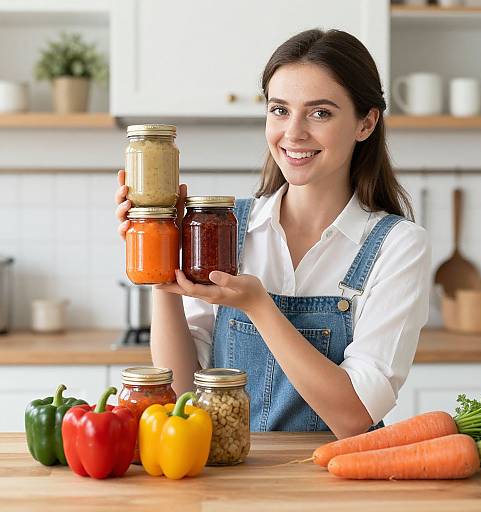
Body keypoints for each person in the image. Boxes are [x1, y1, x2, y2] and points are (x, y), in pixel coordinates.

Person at [115, 29, 431, 439]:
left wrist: (259, 306)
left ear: (365, 123)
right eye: (279, 110)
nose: (293, 132)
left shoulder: (398, 246)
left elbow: (354, 415)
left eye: (320, 113)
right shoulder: (224, 228)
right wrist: (162, 264)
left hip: (339, 484)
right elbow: (184, 390)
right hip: (232, 477)